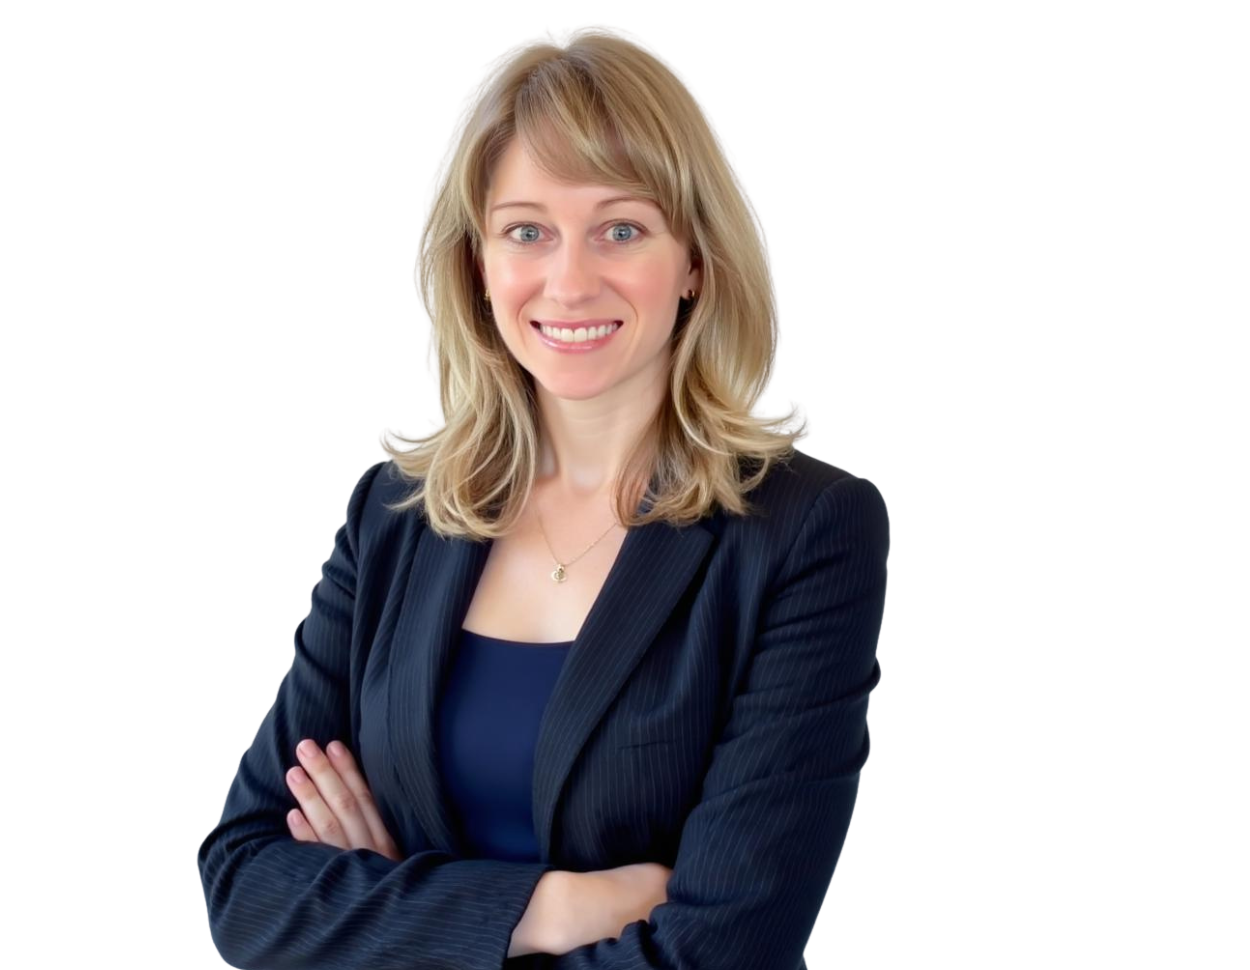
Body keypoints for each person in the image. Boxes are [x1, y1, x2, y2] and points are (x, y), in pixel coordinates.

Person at [196, 23, 889, 970]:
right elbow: (242, 888)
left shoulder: (808, 530)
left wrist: (393, 913)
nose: (569, 281)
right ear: (477, 267)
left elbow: (728, 952)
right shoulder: (395, 514)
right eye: (527, 230)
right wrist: (553, 908)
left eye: (621, 228)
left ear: (694, 261)